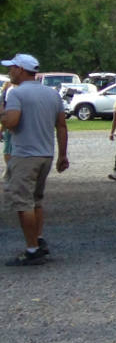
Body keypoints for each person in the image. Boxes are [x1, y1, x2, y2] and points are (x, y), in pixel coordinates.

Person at [1, 53, 68, 266]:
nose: (9, 71)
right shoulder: (52, 94)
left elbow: (11, 122)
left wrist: (1, 113)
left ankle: (32, 250)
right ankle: (38, 240)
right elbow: (61, 126)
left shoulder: (16, 93)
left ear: (21, 69)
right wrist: (63, 155)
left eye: (12, 68)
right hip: (45, 155)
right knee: (37, 200)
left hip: (24, 155)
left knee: (23, 203)